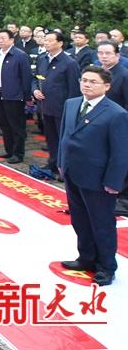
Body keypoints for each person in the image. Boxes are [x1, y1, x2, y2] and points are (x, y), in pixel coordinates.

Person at [57, 66, 128, 287]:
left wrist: (114, 181)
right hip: (72, 173)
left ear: (107, 86)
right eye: (84, 80)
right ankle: (86, 257)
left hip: (98, 179)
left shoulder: (116, 114)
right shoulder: (71, 104)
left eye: (93, 82)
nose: (87, 85)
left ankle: (106, 267)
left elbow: (120, 153)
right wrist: (61, 162)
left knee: (102, 224)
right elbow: (64, 136)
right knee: (79, 219)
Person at [32, 31, 80, 176]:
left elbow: (74, 89)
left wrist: (71, 111)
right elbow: (35, 78)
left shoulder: (69, 63)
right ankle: (53, 163)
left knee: (63, 139)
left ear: (60, 43)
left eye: (50, 40)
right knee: (51, 138)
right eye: (45, 40)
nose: (46, 43)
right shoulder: (42, 58)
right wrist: (35, 90)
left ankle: (65, 167)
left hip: (62, 109)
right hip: (45, 106)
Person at [0, 29, 32, 164]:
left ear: (12, 40)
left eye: (3, 38)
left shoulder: (20, 55)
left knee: (16, 126)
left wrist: (26, 97)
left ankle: (18, 153)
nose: (0, 41)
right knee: (4, 124)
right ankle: (9, 150)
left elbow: (26, 77)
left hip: (14, 96)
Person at [96, 40, 127, 108]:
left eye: (108, 53)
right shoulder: (95, 72)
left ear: (117, 55)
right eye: (100, 53)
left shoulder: (124, 75)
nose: (104, 56)